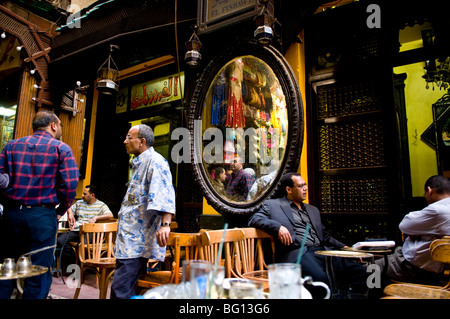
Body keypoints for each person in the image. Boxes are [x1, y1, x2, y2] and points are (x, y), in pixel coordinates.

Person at [0, 110, 79, 299]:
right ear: (53, 125)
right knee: (39, 274)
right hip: (42, 216)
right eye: (60, 125)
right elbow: (69, 185)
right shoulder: (62, 149)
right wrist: (60, 210)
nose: (60, 128)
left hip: (12, 214)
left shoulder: (10, 146)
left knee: (7, 270)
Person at [248, 172, 367, 297]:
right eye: (300, 186)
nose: (305, 188)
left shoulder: (312, 210)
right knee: (320, 277)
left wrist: (346, 249)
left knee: (361, 271)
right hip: (299, 252)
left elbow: (325, 236)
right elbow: (255, 219)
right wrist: (278, 227)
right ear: (288, 189)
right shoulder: (273, 205)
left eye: (305, 185)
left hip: (323, 251)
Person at [111, 124, 175, 299]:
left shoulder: (155, 162)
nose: (125, 141)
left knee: (120, 289)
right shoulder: (139, 163)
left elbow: (165, 195)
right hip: (128, 239)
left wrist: (165, 225)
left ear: (142, 141)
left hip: (137, 243)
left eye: (129, 137)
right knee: (126, 287)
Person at [375, 175, 450, 285]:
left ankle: (370, 294)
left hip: (414, 268)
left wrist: (418, 232)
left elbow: (404, 225)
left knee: (370, 269)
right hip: (437, 270)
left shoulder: (437, 210)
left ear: (429, 191)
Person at [57, 185, 113, 268]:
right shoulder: (79, 203)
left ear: (92, 195)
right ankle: (74, 261)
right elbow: (68, 208)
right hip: (77, 230)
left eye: (85, 194)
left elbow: (110, 215)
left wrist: (96, 217)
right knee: (60, 241)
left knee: (83, 246)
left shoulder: (101, 205)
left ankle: (82, 266)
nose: (82, 195)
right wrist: (70, 214)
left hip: (90, 232)